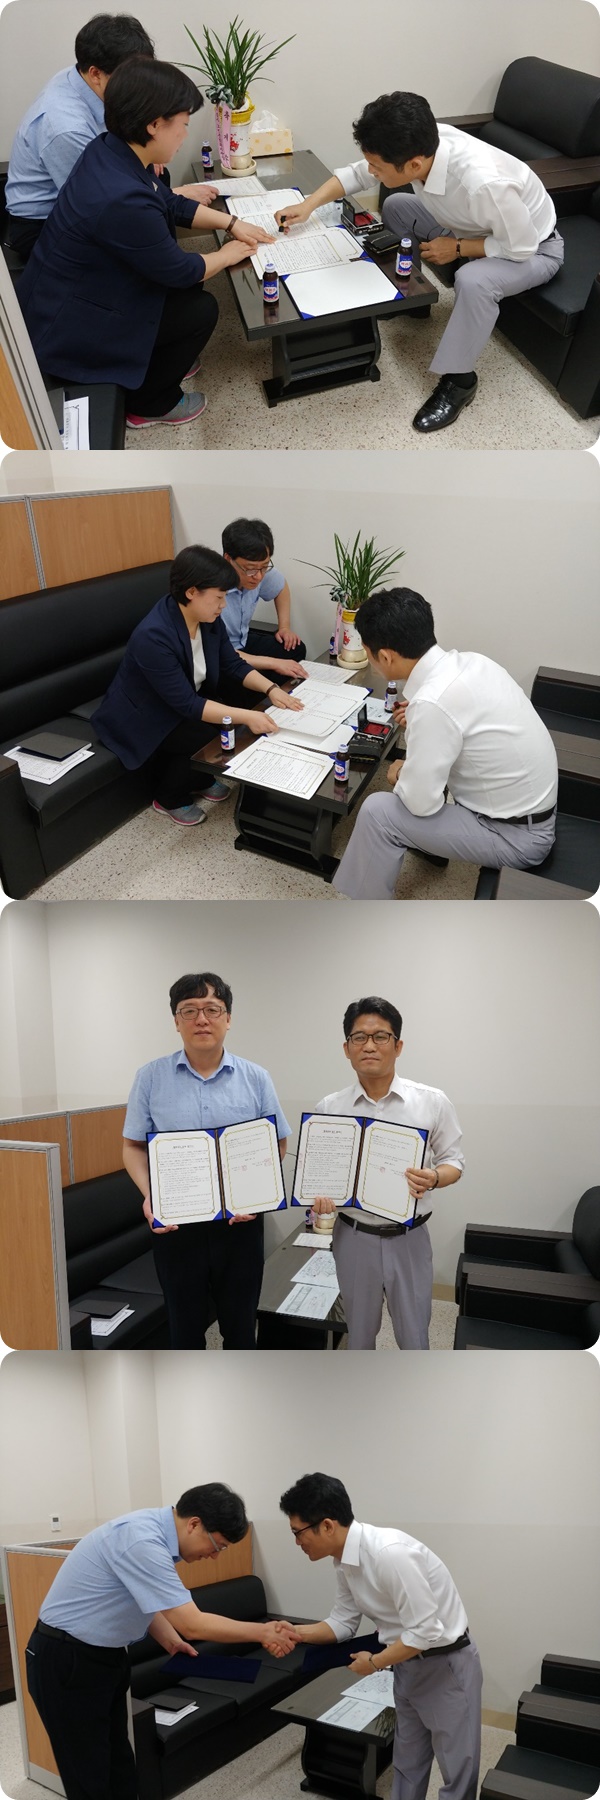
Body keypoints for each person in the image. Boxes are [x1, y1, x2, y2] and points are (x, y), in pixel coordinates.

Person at [275, 91, 563, 432]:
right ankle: (413, 301)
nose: (371, 171)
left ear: (413, 165)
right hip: (474, 227)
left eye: (377, 167)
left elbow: (521, 247)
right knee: (396, 205)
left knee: (473, 280)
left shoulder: (485, 184)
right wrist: (308, 205)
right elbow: (359, 173)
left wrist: (458, 248)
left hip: (534, 249)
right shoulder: (421, 145)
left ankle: (460, 381)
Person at [16, 57, 275, 428]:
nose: (184, 135)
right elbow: (181, 270)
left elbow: (168, 201)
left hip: (71, 294)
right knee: (200, 309)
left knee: (188, 293)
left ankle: (159, 361)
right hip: (70, 329)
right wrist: (228, 252)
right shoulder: (121, 199)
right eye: (182, 125)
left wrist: (232, 223)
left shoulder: (110, 149)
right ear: (154, 125)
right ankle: (150, 404)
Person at [26, 1485, 297, 1800]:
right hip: (67, 1658)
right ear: (194, 1524)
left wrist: (170, 1640)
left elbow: (142, 1598)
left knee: (120, 1764)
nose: (213, 1556)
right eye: (217, 1546)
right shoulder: (142, 1540)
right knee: (89, 1775)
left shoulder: (155, 1535)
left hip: (105, 1658)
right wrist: (264, 1632)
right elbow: (193, 1623)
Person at [333, 589, 558, 900]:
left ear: (385, 656)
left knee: (377, 812)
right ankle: (429, 847)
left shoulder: (433, 703)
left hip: (517, 838)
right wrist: (420, 720)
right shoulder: (473, 662)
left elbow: (419, 802)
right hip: (532, 812)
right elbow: (457, 720)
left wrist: (402, 772)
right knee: (425, 772)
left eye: (368, 652)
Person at [278, 1473, 483, 1800]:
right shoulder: (343, 1562)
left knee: (458, 1770)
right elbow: (342, 1622)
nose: (297, 1542)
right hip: (405, 1664)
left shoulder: (390, 1553)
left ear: (327, 1526)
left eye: (297, 1532)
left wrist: (374, 1662)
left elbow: (426, 1632)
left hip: (444, 1665)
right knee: (407, 1761)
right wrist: (295, 1632)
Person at [122, 971, 291, 1348]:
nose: (201, 1019)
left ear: (228, 1018)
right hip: (176, 1226)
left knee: (241, 1328)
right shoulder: (150, 1078)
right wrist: (151, 1196)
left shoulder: (256, 1077)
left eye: (212, 1009)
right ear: (176, 1021)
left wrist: (255, 1193)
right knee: (184, 1331)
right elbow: (132, 1146)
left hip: (240, 1226)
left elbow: (277, 1142)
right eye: (189, 1010)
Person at [93, 545, 304, 827]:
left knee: (229, 718)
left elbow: (232, 663)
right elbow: (187, 704)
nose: (223, 605)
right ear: (192, 592)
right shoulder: (153, 636)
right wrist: (249, 716)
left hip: (183, 698)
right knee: (212, 733)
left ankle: (200, 779)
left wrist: (271, 689)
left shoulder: (207, 619)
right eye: (219, 597)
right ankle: (168, 798)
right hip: (145, 716)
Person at [311, 995, 463, 1349]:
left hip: (409, 1237)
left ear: (398, 1046)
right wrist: (318, 1199)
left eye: (380, 1036)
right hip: (352, 1238)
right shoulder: (329, 1108)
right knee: (358, 1335)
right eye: (359, 1037)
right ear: (347, 1048)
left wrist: (434, 1177)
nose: (369, 1046)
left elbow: (454, 1162)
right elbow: (320, 1176)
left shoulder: (431, 1102)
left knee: (414, 1337)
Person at [221, 518, 308, 678]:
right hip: (221, 654)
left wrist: (284, 627)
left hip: (243, 641)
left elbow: (281, 587)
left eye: (265, 566)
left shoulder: (259, 571)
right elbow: (219, 652)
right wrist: (273, 663)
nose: (259, 576)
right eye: (250, 569)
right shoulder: (212, 588)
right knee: (243, 678)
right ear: (228, 559)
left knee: (295, 649)